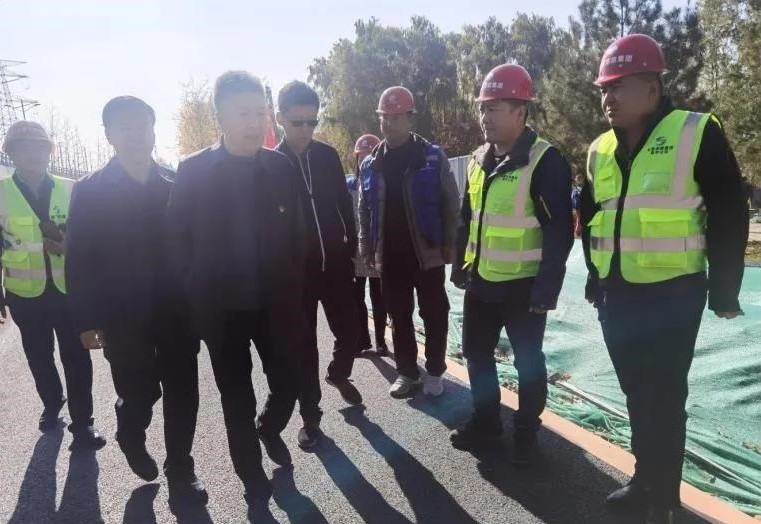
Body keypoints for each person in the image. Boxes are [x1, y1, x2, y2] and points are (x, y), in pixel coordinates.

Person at [581, 34, 748, 524]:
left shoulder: (696, 131)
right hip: (616, 293)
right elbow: (591, 216)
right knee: (636, 391)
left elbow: (729, 209)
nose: (608, 98)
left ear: (652, 88)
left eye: (618, 87)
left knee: (666, 394)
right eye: (604, 89)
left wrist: (725, 289)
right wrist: (594, 277)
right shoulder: (599, 149)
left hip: (674, 292)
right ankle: (644, 479)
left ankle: (665, 499)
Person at [167, 71, 306, 510]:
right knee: (236, 397)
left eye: (260, 112)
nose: (254, 122)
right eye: (243, 113)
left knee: (288, 381)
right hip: (221, 311)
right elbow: (177, 239)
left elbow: (298, 233)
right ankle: (251, 474)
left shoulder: (280, 167)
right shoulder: (194, 171)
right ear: (220, 117)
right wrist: (193, 293)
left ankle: (270, 426)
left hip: (275, 304)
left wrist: (295, 286)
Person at [65, 97, 207, 507]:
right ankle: (130, 430)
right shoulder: (91, 191)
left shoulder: (174, 183)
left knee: (183, 391)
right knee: (141, 394)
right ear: (109, 134)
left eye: (143, 125)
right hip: (122, 317)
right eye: (124, 127)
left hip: (176, 313)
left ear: (153, 130)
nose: (135, 134)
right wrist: (85, 320)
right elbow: (79, 261)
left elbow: (194, 246)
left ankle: (181, 469)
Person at [449, 65, 573, 466]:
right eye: (482, 108)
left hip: (524, 287)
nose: (484, 117)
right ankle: (487, 423)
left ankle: (526, 434)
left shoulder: (544, 161)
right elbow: (467, 217)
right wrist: (459, 264)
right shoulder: (477, 159)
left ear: (520, 112)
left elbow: (559, 230)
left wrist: (547, 289)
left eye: (494, 108)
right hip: (482, 281)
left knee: (528, 364)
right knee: (476, 355)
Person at [0, 120, 105, 450]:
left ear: (49, 151)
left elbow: (91, 236)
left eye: (39, 147)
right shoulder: (1, 193)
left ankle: (83, 424)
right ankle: (52, 401)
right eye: (22, 147)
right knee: (38, 356)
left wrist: (68, 245)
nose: (32, 153)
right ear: (11, 153)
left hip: (69, 291)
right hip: (24, 294)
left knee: (77, 356)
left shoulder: (72, 188)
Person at [275, 80, 363, 451]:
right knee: (304, 348)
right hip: (297, 274)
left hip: (337, 262)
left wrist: (354, 247)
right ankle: (311, 417)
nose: (306, 130)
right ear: (280, 119)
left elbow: (344, 203)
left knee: (353, 331)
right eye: (298, 123)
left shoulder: (327, 156)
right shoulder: (272, 165)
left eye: (312, 122)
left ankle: (339, 373)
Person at [358, 86, 460, 398]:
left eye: (396, 117)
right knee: (399, 316)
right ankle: (407, 372)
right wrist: (366, 248)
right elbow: (364, 209)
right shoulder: (370, 164)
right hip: (390, 256)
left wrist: (450, 243)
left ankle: (434, 371)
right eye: (384, 118)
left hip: (426, 253)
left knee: (434, 313)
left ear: (410, 118)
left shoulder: (431, 157)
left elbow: (450, 202)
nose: (389, 123)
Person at [346, 134, 389, 356]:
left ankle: (381, 341)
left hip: (377, 249)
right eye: (361, 157)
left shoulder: (384, 186)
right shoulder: (349, 186)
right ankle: (362, 339)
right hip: (355, 250)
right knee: (356, 298)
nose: (365, 161)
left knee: (379, 298)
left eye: (369, 156)